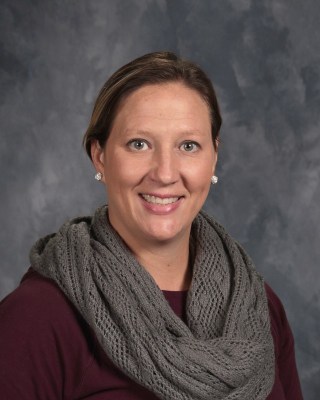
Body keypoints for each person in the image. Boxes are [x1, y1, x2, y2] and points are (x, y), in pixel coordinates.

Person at [0, 52, 303, 400]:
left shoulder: (259, 308)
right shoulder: (38, 318)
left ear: (214, 156)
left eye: (188, 146)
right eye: (139, 144)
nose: (164, 173)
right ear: (100, 155)